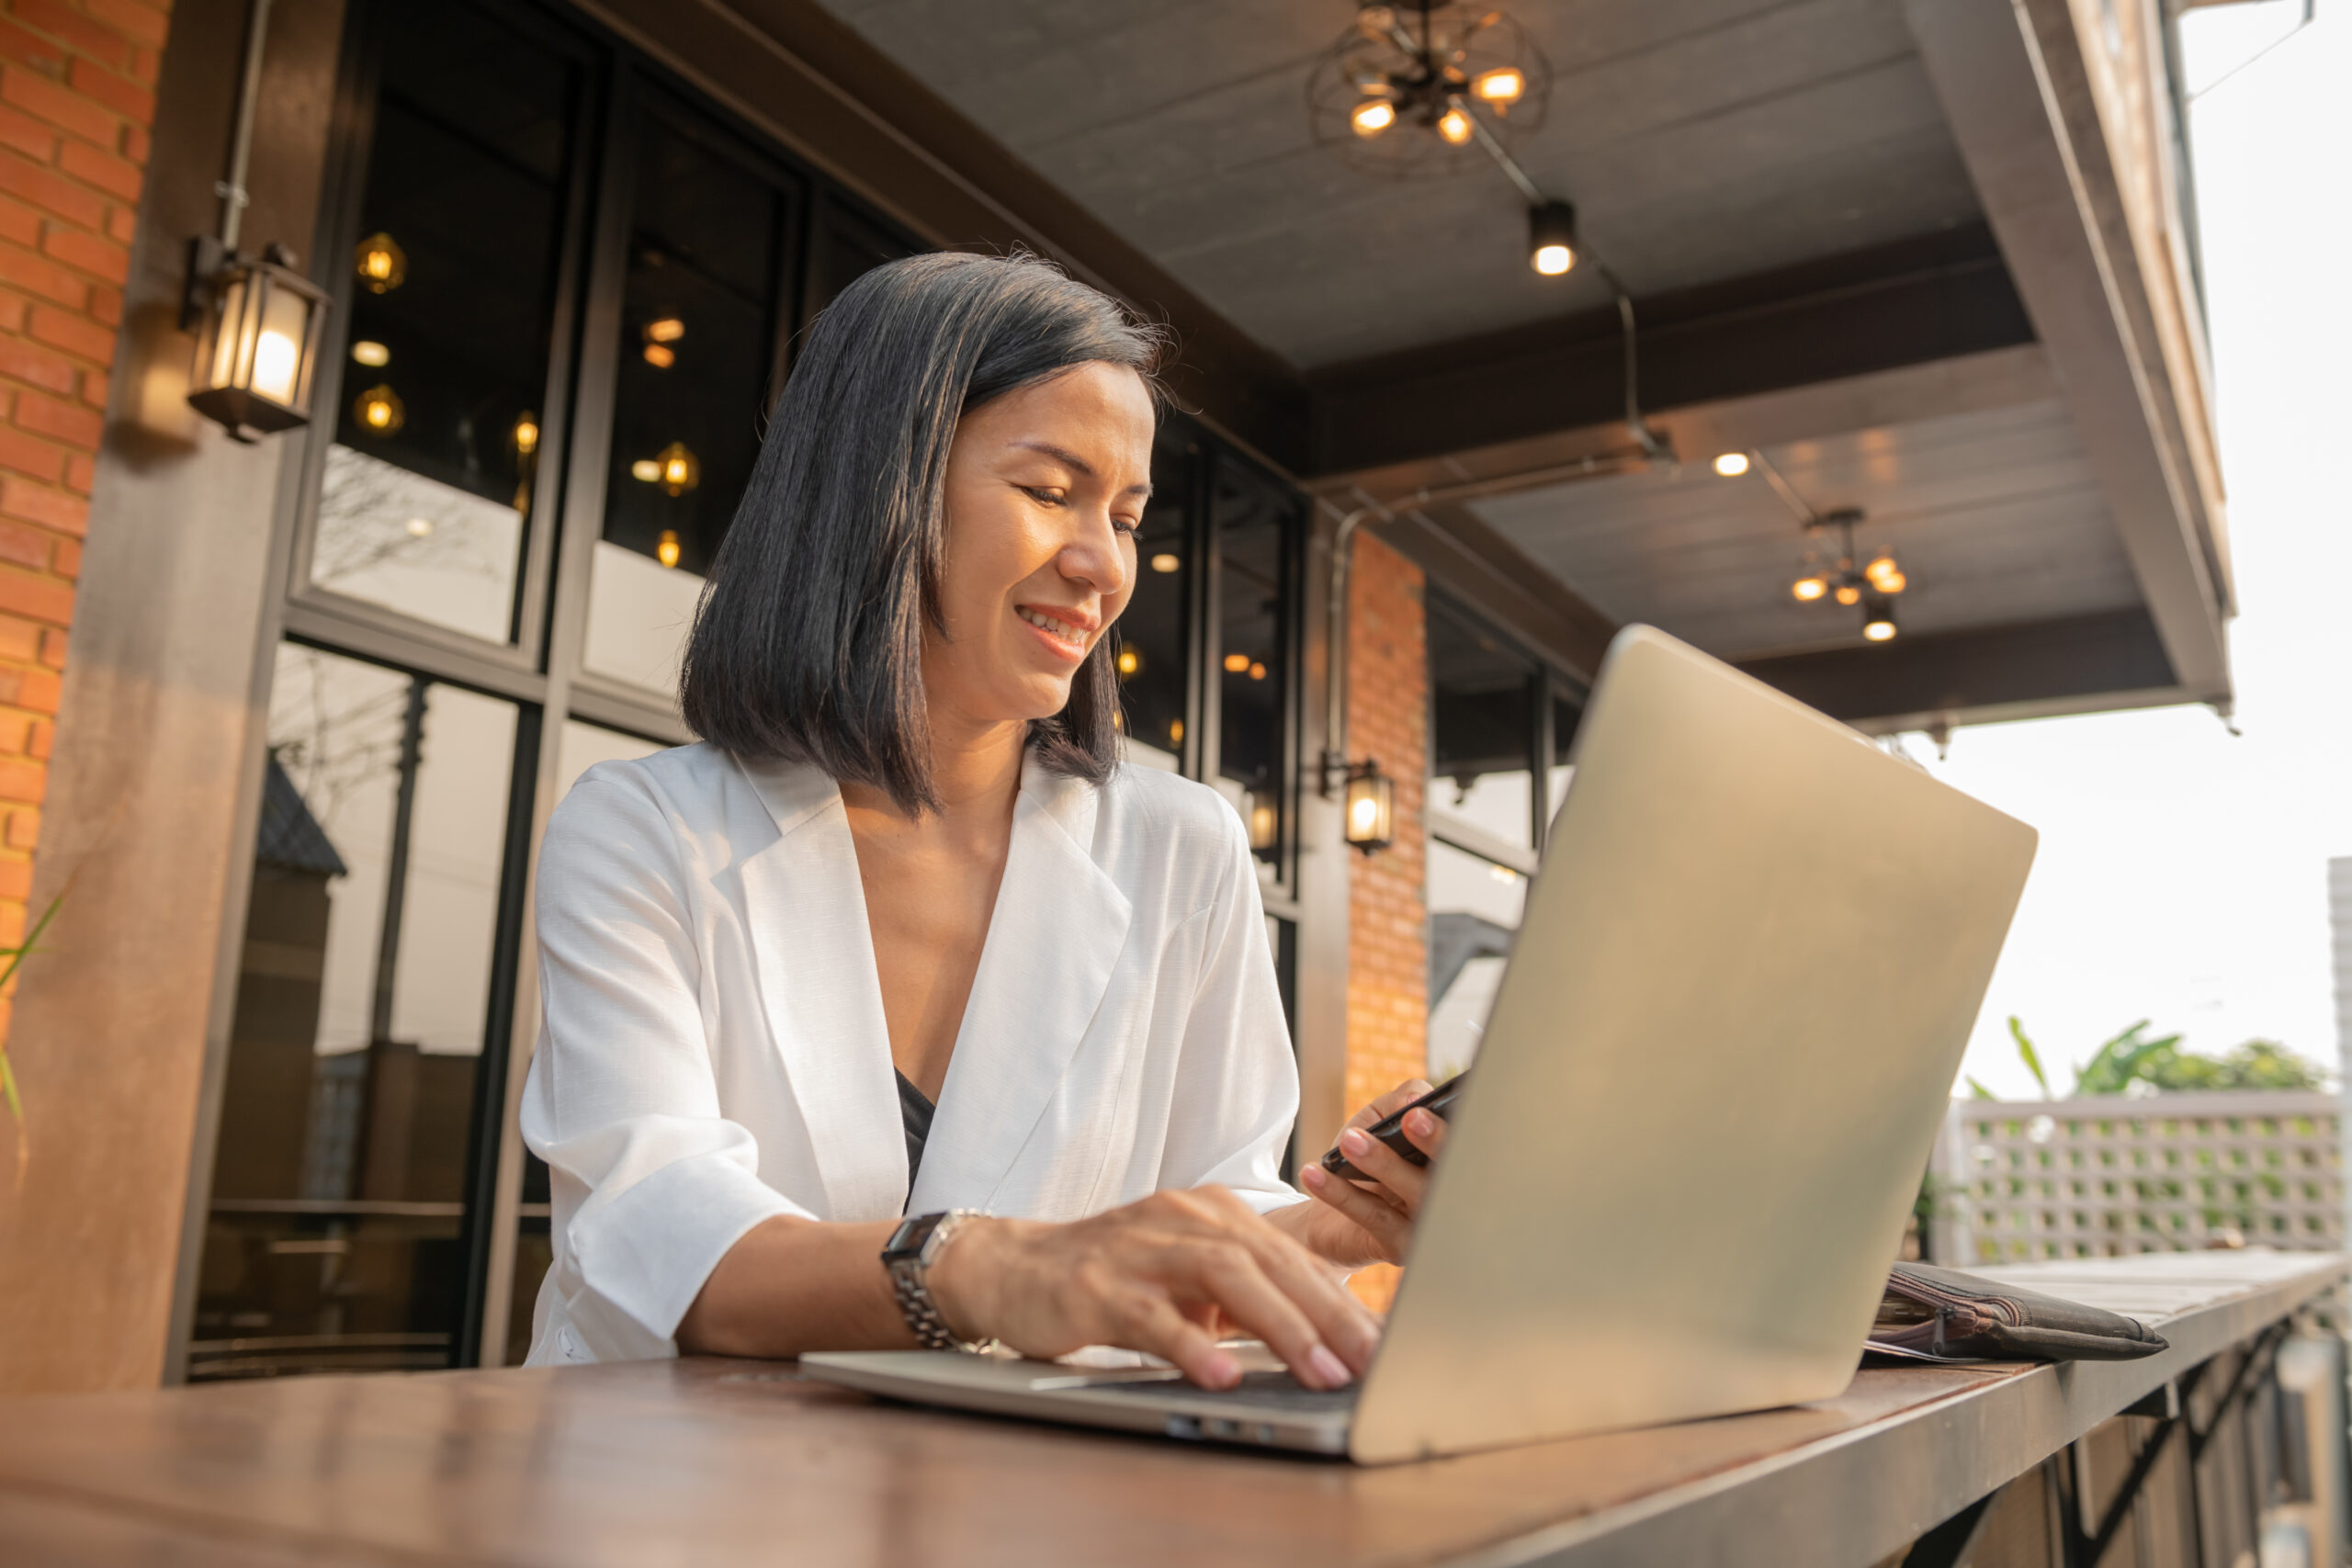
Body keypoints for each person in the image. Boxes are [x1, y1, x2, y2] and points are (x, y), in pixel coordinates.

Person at [520, 252, 1445, 1393]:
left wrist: (1336, 1227)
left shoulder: (1181, 848)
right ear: (879, 488)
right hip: (671, 1499)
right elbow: (657, 1239)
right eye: (1050, 491)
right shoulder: (647, 831)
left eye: (1125, 514)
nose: (1101, 565)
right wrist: (991, 1267)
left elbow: (1209, 1211)